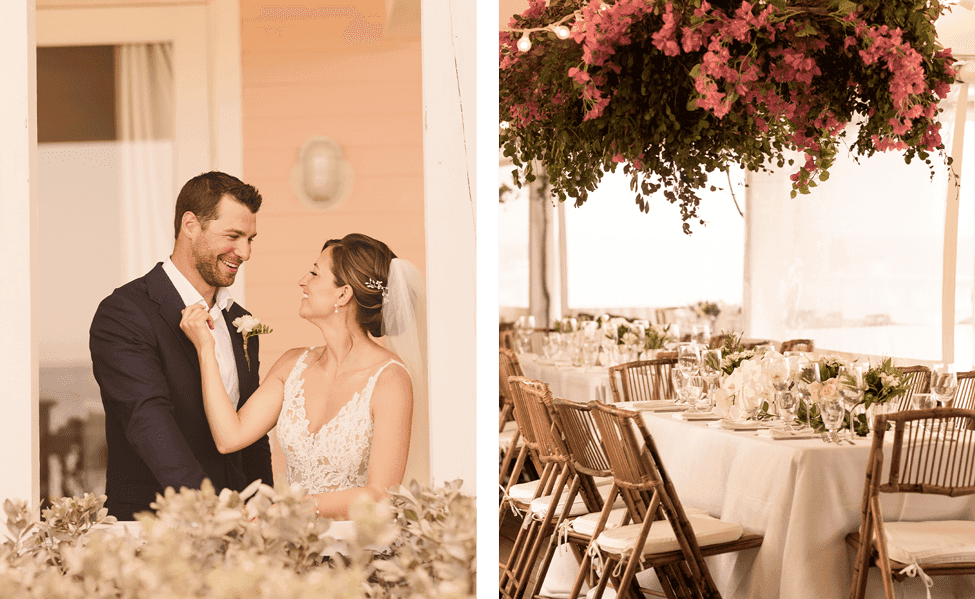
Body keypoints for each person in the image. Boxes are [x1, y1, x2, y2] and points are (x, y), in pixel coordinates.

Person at [179, 233, 426, 519]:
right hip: (294, 547)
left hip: (356, 549)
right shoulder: (292, 364)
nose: (302, 281)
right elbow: (229, 436)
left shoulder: (389, 379)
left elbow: (380, 495)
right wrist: (205, 349)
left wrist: (292, 508)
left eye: (315, 273)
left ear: (343, 294)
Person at [89, 171, 274, 521]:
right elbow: (149, 423)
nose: (245, 252)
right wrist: (211, 515)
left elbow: (253, 433)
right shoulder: (125, 313)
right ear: (190, 225)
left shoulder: (241, 321)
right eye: (233, 236)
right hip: (157, 528)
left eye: (250, 239)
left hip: (240, 533)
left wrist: (265, 510)